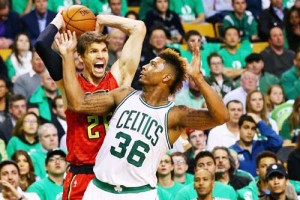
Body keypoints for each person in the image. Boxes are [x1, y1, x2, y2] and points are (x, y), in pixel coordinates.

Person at [57, 29, 228, 199]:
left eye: (153, 65)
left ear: (166, 77)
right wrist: (67, 56)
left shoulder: (174, 115)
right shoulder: (123, 94)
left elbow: (221, 117)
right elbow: (77, 103)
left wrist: (197, 78)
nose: (145, 66)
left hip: (138, 193)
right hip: (99, 189)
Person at [36, 13, 146, 199]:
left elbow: (139, 27)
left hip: (114, 175)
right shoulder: (69, 83)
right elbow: (41, 44)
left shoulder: (118, 78)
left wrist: (103, 19)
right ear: (80, 57)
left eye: (103, 50)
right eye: (94, 51)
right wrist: (62, 18)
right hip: (83, 174)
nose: (101, 55)